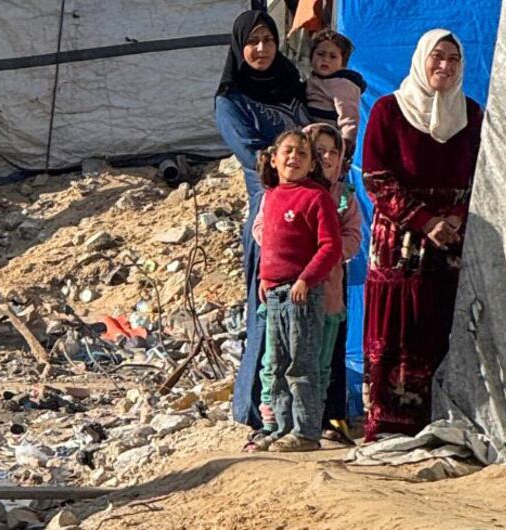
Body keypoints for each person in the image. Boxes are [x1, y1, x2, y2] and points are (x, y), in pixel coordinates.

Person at [361, 30, 483, 442]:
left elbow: (483, 176)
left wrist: (453, 219)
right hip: (401, 242)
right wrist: (425, 220)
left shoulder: (471, 114)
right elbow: (377, 178)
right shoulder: (388, 111)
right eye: (437, 57)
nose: (444, 66)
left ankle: (445, 420)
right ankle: (391, 425)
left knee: (444, 327)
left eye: (453, 58)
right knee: (398, 330)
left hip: (452, 242)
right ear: (420, 59)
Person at [215, 9, 311, 430]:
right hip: (269, 215)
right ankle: (255, 410)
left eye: (268, 40)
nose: (261, 49)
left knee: (307, 314)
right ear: (240, 46)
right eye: (252, 42)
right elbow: (254, 156)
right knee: (266, 311)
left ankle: (307, 412)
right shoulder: (230, 99)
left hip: (309, 211)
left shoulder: (292, 87)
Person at [250, 123, 361, 448]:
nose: (295, 159)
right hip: (275, 292)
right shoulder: (271, 197)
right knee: (277, 363)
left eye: (304, 154)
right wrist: (267, 280)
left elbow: (334, 245)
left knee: (306, 364)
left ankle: (306, 430)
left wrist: (306, 278)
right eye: (289, 152)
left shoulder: (325, 198)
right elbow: (268, 241)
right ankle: (279, 427)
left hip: (311, 293)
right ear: (273, 159)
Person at [304, 29, 367, 160]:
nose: (325, 59)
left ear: (343, 63)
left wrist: (345, 148)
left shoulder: (342, 85)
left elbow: (349, 118)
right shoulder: (312, 81)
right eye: (320, 54)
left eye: (333, 56)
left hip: (330, 144)